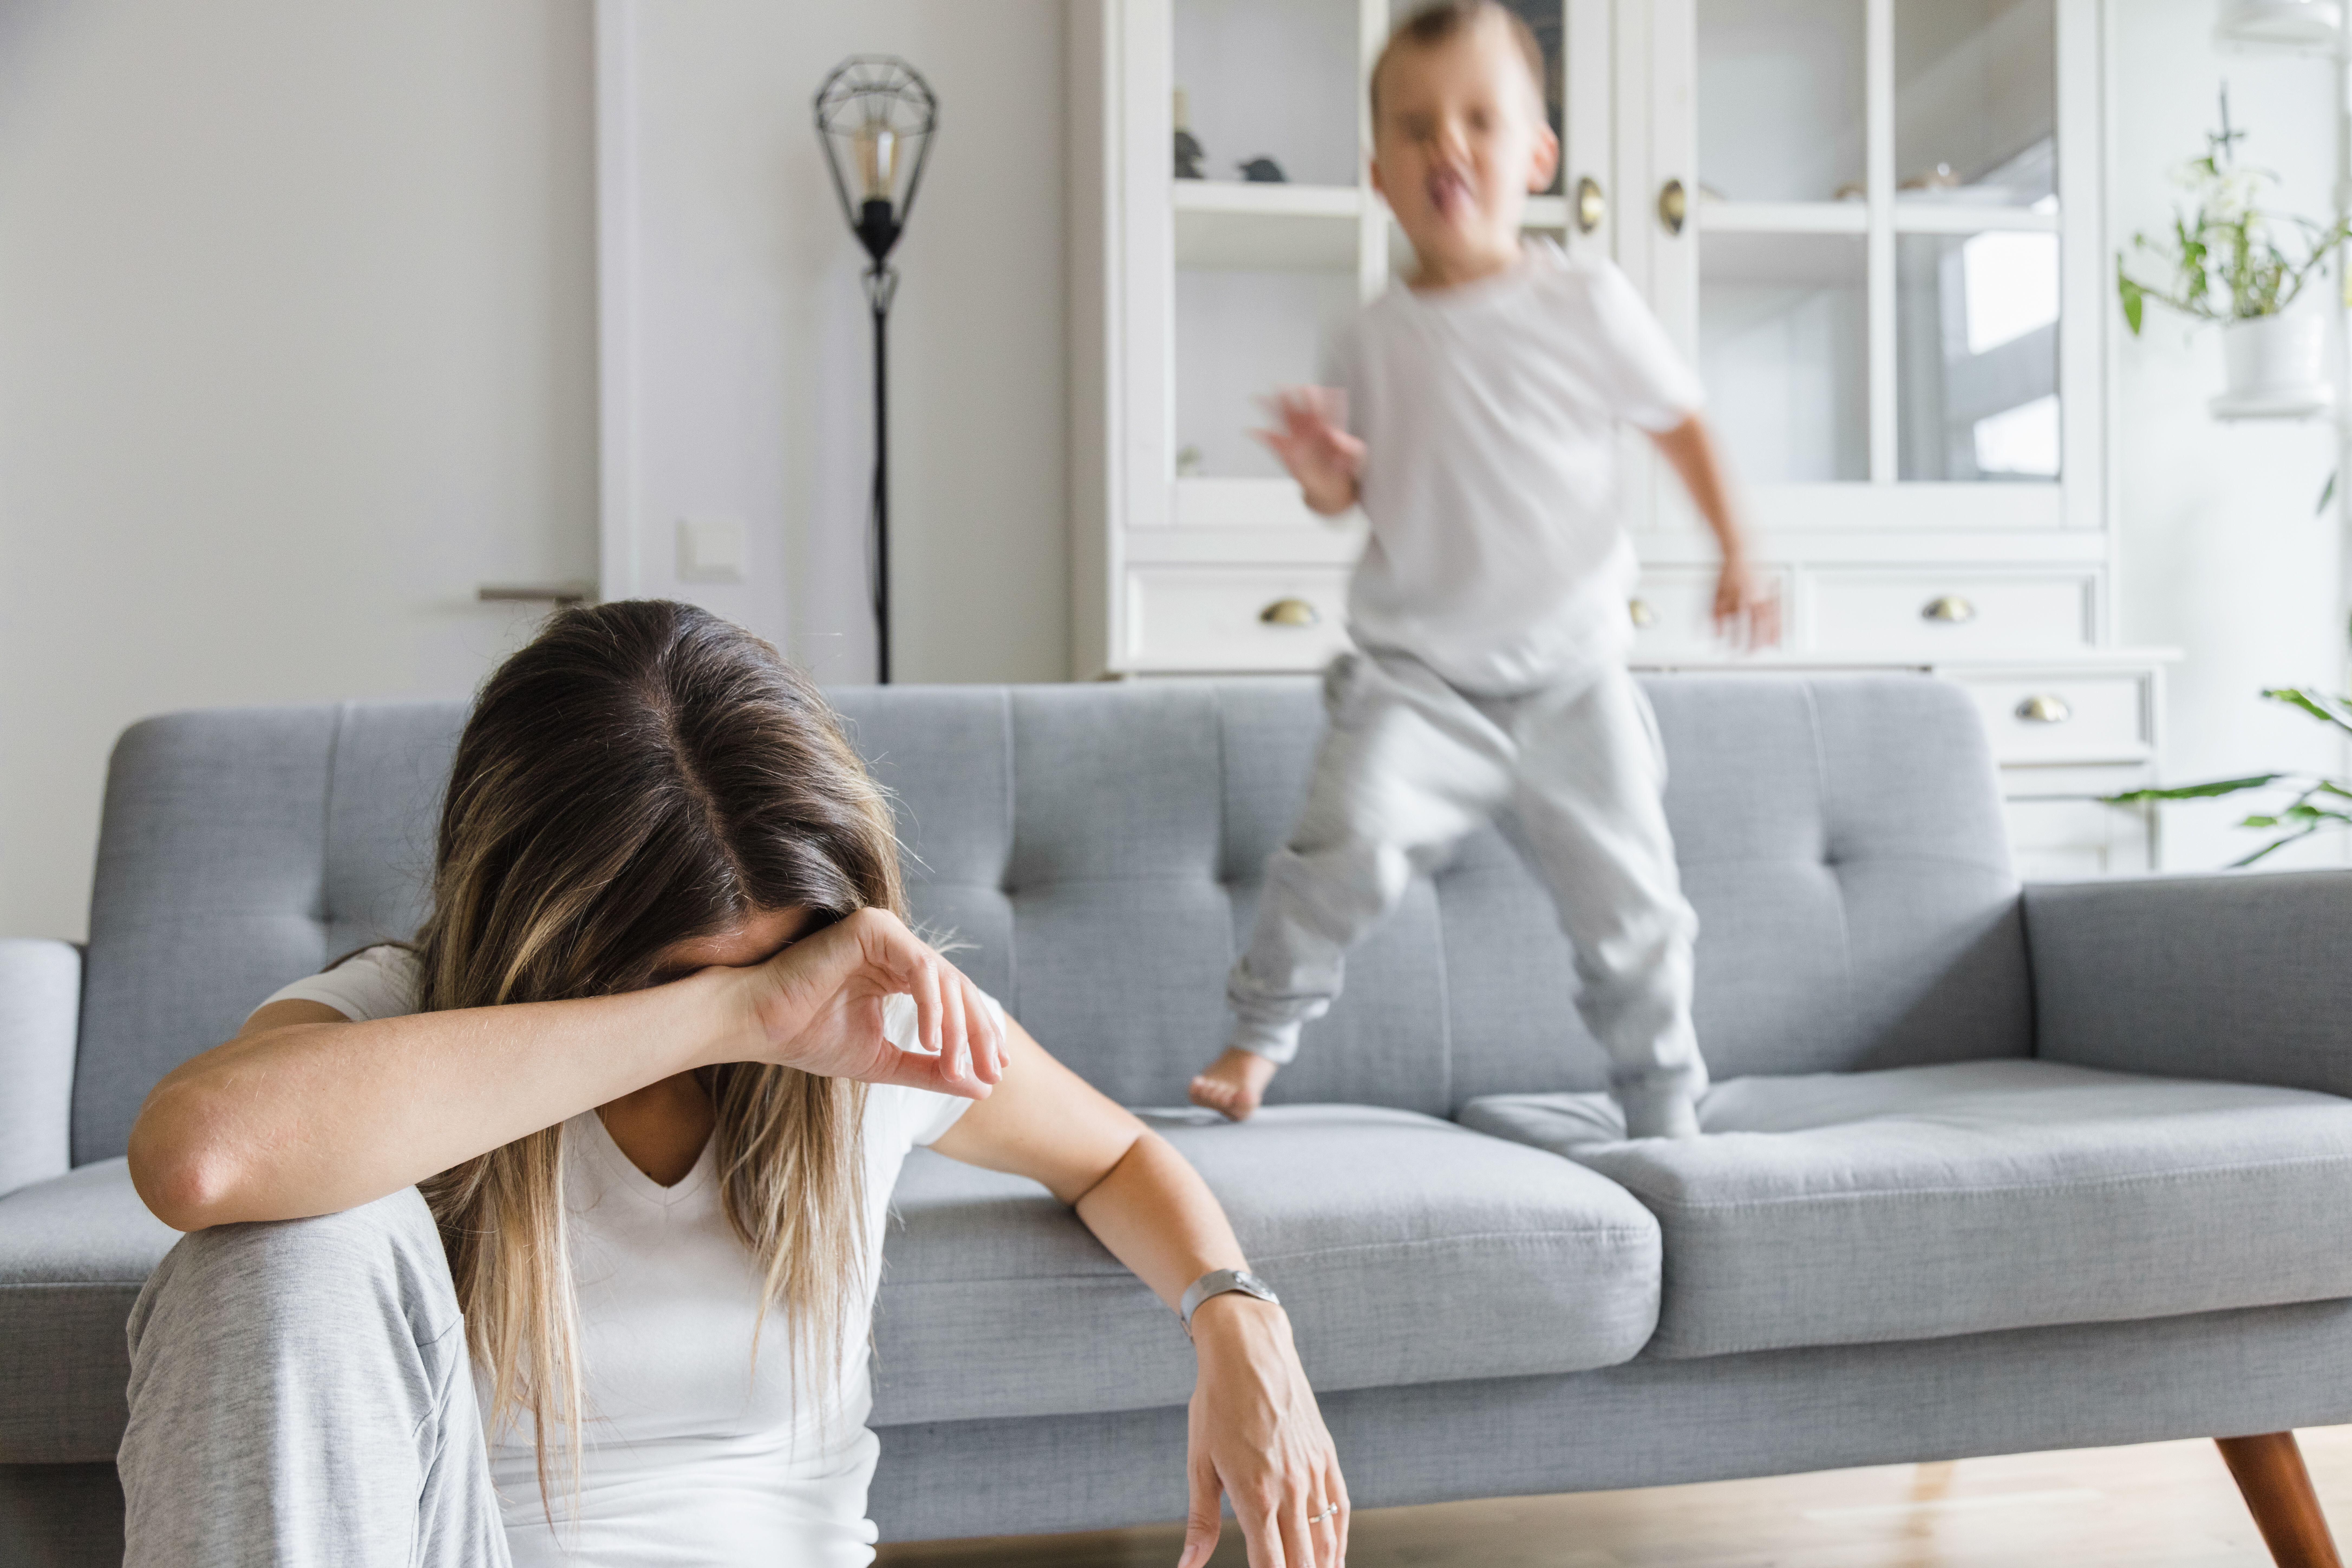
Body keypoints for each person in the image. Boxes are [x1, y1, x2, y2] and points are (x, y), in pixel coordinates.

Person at [120, 600, 1347, 1568]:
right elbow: (202, 1159)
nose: (775, 1011)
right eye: (682, 976)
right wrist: (725, 1014)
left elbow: (1116, 1152)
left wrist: (1238, 1315)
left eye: (780, 956)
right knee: (268, 1254)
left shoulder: (864, 1023)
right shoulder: (411, 1018)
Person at [1188, 0, 1778, 1134]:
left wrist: (1738, 548)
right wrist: (1321, 474)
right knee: (1340, 843)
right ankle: (1260, 1035)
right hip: (1419, 679)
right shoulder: (1367, 335)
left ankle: (1662, 1101)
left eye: (1478, 121)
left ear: (1538, 157)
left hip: (1574, 676)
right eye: (1415, 128)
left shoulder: (1587, 301)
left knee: (1637, 901)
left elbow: (1683, 420)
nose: (1445, 146)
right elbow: (1348, 498)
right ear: (1378, 171)